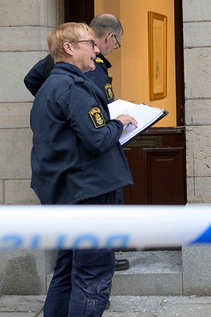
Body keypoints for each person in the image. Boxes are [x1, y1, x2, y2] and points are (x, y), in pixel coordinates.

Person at [31, 22, 136, 317]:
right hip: (89, 193)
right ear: (68, 48)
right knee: (93, 274)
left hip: (67, 192)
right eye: (89, 44)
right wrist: (119, 123)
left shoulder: (50, 85)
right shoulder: (73, 87)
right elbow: (97, 137)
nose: (96, 50)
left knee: (67, 269)